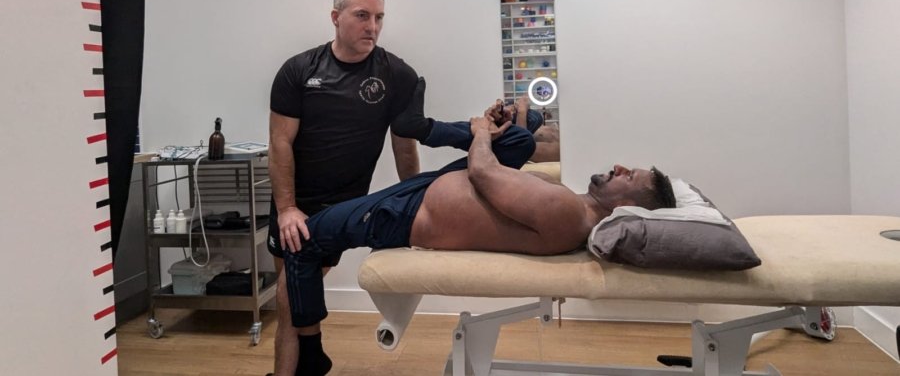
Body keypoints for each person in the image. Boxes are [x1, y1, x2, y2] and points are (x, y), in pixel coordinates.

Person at [281, 101, 676, 372]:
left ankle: (312, 359)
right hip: (426, 190)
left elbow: (484, 173)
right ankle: (422, 128)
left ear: (628, 209)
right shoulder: (575, 207)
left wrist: (481, 132)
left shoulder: (570, 214)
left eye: (629, 177)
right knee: (520, 140)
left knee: (300, 240)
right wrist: (499, 126)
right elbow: (497, 181)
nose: (619, 167)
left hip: (404, 213)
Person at [267, 0, 430, 376]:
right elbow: (279, 143)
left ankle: (307, 361)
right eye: (362, 15)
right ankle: (306, 362)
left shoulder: (397, 75)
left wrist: (418, 205)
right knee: (289, 294)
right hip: (293, 202)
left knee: (291, 292)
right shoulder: (299, 71)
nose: (372, 26)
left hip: (342, 207)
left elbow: (404, 144)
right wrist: (287, 208)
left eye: (378, 17)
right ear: (336, 17)